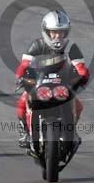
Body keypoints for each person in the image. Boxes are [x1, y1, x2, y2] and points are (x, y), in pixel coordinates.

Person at [14, 10, 89, 149]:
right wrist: (20, 77)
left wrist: (83, 76)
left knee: (78, 106)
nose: (57, 36)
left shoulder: (71, 46)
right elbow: (24, 65)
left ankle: (72, 131)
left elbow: (80, 66)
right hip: (40, 83)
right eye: (54, 32)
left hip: (63, 84)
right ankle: (26, 132)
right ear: (46, 31)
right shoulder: (37, 45)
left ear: (66, 32)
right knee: (22, 102)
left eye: (61, 32)